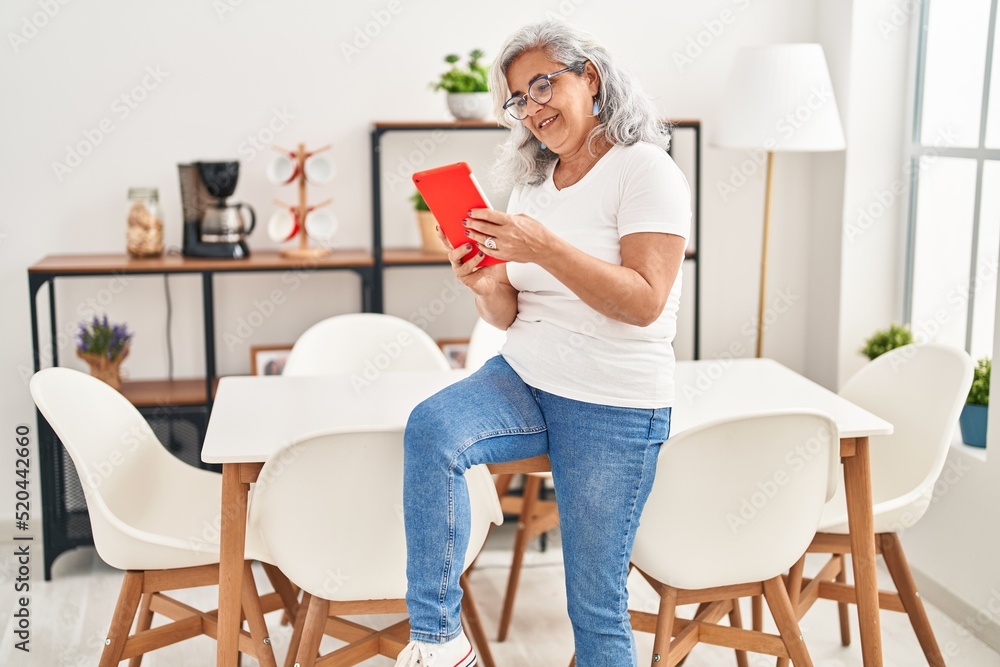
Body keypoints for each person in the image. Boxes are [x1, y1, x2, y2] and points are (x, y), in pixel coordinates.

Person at [395, 20, 690, 667]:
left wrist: (543, 247)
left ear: (590, 77)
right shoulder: (535, 183)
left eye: (542, 85)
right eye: (518, 99)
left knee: (594, 601)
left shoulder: (646, 172)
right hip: (525, 376)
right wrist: (483, 281)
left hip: (613, 403)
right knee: (433, 427)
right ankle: (439, 641)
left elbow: (643, 300)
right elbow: (509, 313)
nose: (533, 108)